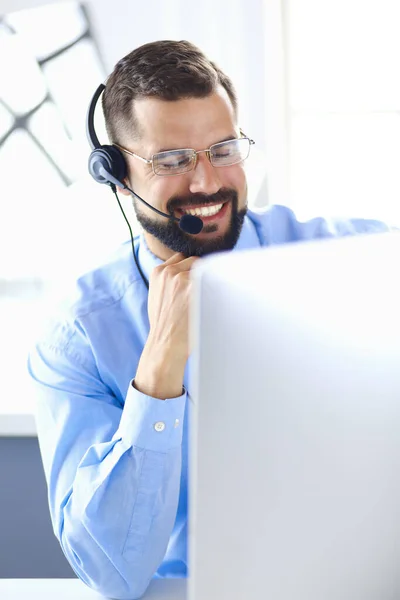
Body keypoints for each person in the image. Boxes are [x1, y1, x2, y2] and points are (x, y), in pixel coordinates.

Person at [28, 39, 390, 600]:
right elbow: (109, 574)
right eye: (173, 161)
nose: (206, 183)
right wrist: (159, 369)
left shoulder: (350, 260)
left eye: (223, 149)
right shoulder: (76, 339)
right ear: (117, 174)